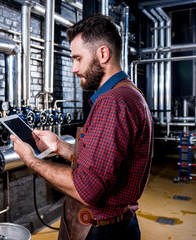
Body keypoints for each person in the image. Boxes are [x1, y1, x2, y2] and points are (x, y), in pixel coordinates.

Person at [10, 14, 153, 240]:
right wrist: (59, 146)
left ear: (103, 54)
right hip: (114, 226)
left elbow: (87, 189)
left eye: (77, 58)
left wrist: (31, 160)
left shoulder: (112, 102)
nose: (73, 69)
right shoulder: (128, 93)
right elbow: (102, 163)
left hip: (102, 231)